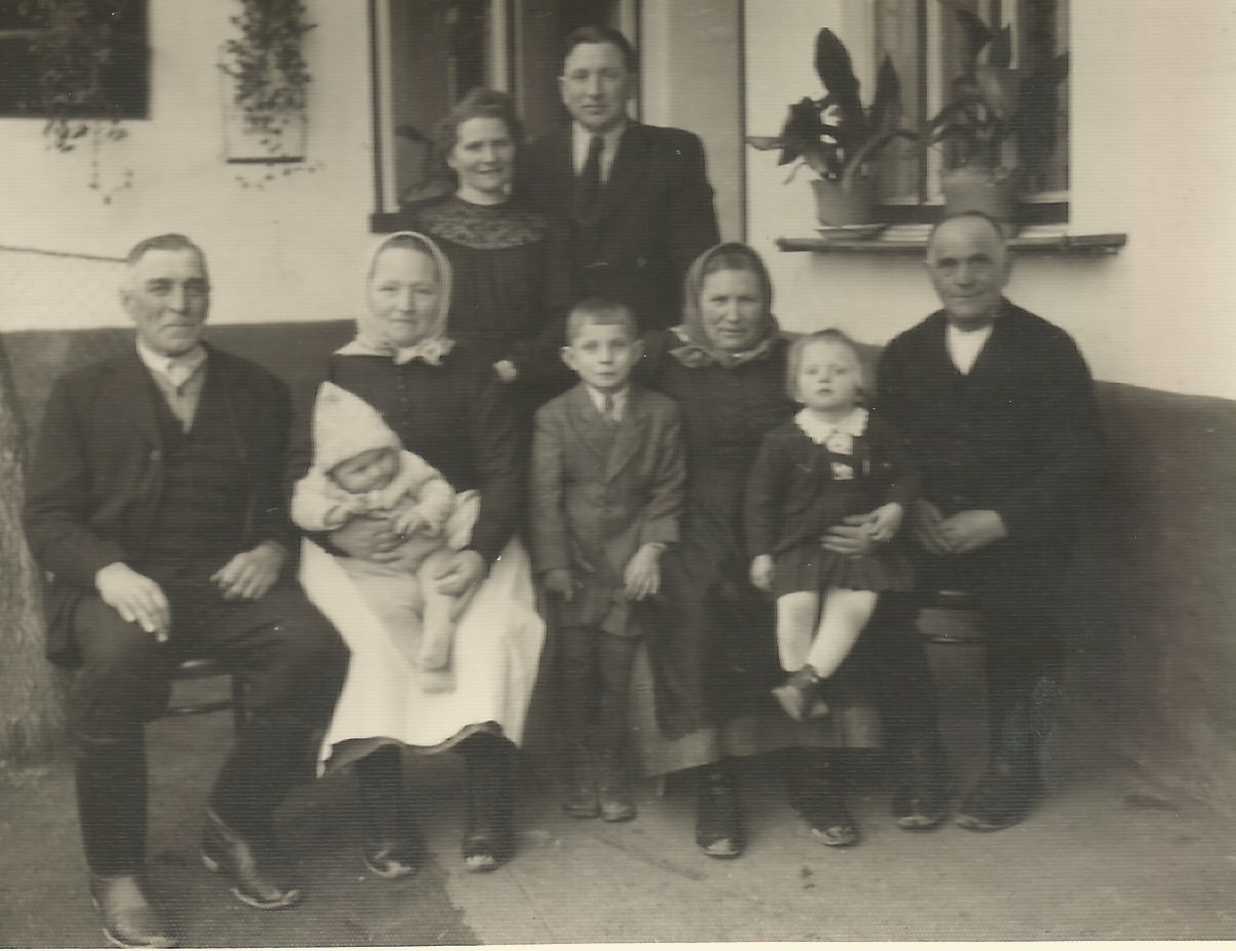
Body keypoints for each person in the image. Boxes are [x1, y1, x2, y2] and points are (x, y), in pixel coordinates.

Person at [23, 234, 349, 949]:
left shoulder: (258, 389)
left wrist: (271, 547)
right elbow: (47, 516)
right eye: (161, 287)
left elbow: (285, 498)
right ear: (128, 301)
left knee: (315, 651)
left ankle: (236, 821)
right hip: (120, 584)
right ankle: (115, 870)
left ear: (209, 296)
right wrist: (108, 572)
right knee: (117, 663)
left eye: (194, 286)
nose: (180, 302)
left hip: (227, 583)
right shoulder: (82, 392)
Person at [292, 231, 544, 876]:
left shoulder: (473, 370)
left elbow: (504, 471)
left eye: (422, 289)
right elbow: (296, 471)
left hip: (457, 533)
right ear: (367, 292)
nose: (406, 304)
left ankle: (487, 803)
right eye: (390, 288)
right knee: (368, 641)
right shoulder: (336, 372)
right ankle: (384, 810)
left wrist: (480, 553)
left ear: (443, 295)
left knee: (489, 630)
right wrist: (338, 536)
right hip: (357, 545)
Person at [631, 241, 882, 856]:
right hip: (698, 514)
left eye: (747, 299)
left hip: (787, 516)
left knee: (808, 588)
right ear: (696, 302)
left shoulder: (793, 361)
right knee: (694, 596)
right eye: (718, 299)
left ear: (766, 301)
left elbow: (852, 426)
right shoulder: (665, 359)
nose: (733, 313)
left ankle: (811, 768)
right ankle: (712, 775)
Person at [874, 211, 1106, 831]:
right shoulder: (905, 353)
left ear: (1008, 266)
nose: (964, 276)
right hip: (924, 529)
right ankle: (918, 756)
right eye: (948, 263)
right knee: (870, 592)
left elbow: (1082, 460)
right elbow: (884, 452)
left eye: (979, 260)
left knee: (1028, 606)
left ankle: (1017, 762)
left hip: (1017, 533)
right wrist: (910, 507)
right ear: (929, 271)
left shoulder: (1049, 349)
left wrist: (1003, 519)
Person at [530, 298, 686, 823]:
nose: (605, 358)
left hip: (629, 565)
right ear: (569, 357)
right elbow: (544, 497)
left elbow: (668, 490)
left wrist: (652, 549)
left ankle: (613, 770)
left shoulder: (660, 413)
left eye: (617, 346)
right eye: (591, 347)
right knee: (575, 674)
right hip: (576, 567)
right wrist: (555, 565)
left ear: (638, 352)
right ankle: (581, 770)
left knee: (617, 675)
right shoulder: (553, 417)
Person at [745, 329, 918, 722]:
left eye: (838, 371)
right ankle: (800, 683)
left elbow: (905, 475)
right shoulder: (782, 441)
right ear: (795, 387)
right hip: (801, 545)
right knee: (795, 607)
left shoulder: (878, 432)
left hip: (859, 548)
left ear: (860, 383)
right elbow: (759, 501)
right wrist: (761, 554)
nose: (824, 378)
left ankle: (805, 684)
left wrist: (895, 507)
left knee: (855, 607)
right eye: (812, 372)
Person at [515, 25, 720, 333]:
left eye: (608, 75)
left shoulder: (674, 152)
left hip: (647, 338)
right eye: (580, 76)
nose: (594, 91)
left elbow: (697, 261)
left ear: (631, 85)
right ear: (563, 89)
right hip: (555, 342)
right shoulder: (533, 160)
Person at [291, 381, 476, 693]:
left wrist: (424, 514)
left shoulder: (407, 464)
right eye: (360, 470)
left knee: (443, 587)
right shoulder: (321, 484)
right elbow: (302, 508)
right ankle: (425, 661)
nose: (376, 472)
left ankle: (438, 633)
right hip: (376, 567)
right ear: (334, 473)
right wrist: (334, 514)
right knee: (391, 611)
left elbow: (439, 490)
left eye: (380, 458)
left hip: (427, 549)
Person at [400, 87, 570, 403]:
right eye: (474, 147)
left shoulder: (546, 226)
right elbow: (405, 302)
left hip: (525, 383)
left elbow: (563, 315)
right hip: (439, 377)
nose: (489, 158)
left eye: (500, 144)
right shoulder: (421, 224)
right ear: (451, 157)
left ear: (515, 149)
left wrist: (517, 365)